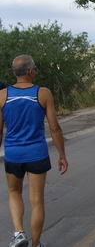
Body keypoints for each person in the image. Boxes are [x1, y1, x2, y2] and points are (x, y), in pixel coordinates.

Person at [0, 55, 68, 247]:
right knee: (37, 200)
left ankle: (18, 233)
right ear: (30, 71)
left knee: (14, 192)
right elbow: (55, 128)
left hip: (13, 154)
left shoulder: (3, 95)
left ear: (14, 73)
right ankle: (36, 244)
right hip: (37, 153)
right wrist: (62, 155)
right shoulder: (43, 93)